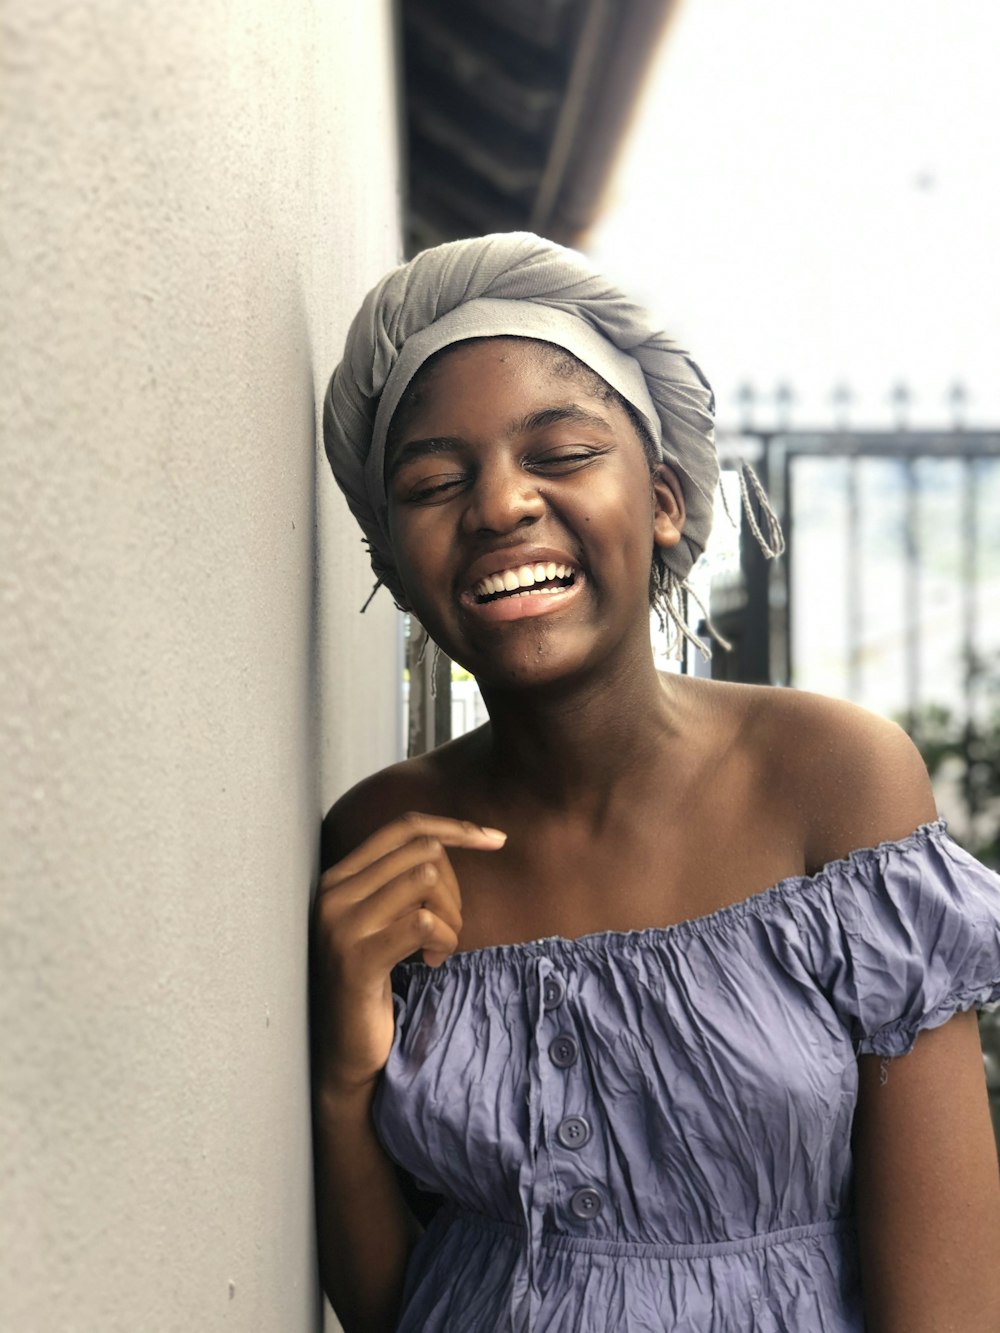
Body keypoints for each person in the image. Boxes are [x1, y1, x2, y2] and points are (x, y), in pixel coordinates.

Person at [311, 232, 1000, 1333]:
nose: (498, 505)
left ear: (667, 499)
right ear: (393, 563)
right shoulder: (386, 844)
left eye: (560, 453)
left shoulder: (834, 786)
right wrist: (345, 1079)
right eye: (435, 481)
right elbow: (401, 1302)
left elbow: (950, 1306)